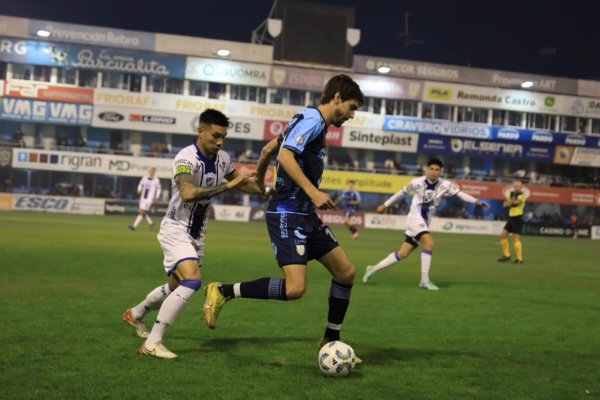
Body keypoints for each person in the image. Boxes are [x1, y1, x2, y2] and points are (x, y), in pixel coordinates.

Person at [202, 74, 365, 360]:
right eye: (351, 107)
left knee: (346, 272)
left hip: (304, 214)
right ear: (337, 97)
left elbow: (268, 150)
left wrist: (262, 183)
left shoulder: (306, 120)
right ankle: (223, 291)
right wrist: (312, 191)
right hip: (288, 214)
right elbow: (286, 156)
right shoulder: (313, 120)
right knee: (295, 288)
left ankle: (331, 339)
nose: (351, 115)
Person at [123, 109, 265, 359]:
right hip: (175, 228)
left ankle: (135, 314)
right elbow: (188, 193)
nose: (220, 141)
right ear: (201, 131)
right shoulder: (185, 158)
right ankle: (153, 343)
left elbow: (244, 184)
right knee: (193, 281)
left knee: (176, 285)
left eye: (224, 137)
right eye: (215, 135)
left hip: (197, 234)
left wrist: (267, 191)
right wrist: (229, 185)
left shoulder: (223, 159)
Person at [362, 158, 490, 290]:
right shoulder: (417, 182)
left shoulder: (445, 185)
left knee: (403, 253)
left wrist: (476, 201)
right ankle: (424, 280)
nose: (434, 172)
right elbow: (401, 193)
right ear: (427, 169)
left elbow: (460, 194)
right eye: (432, 169)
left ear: (440, 172)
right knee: (429, 243)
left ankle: (373, 269)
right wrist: (385, 204)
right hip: (414, 218)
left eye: (437, 170)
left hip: (424, 222)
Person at [498, 180, 526, 264]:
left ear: (521, 187)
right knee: (503, 235)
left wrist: (509, 202)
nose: (516, 187)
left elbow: (517, 203)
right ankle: (507, 255)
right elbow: (505, 204)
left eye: (518, 186)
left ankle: (519, 259)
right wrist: (507, 203)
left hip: (518, 217)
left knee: (516, 238)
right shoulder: (511, 193)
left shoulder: (522, 195)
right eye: (515, 186)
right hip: (511, 217)